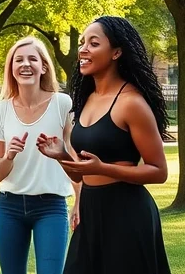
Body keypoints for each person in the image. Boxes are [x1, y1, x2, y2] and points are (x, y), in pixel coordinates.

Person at [36, 16, 171, 274]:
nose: (83, 49)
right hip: (91, 211)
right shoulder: (87, 99)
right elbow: (83, 171)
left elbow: (158, 171)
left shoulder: (131, 102)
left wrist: (104, 168)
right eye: (83, 42)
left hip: (127, 215)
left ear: (117, 52)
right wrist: (61, 155)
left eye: (94, 43)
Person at [0, 37, 79, 274]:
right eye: (18, 60)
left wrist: (79, 202)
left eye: (33, 58)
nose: (25, 64)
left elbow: (74, 156)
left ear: (44, 67)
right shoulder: (0, 110)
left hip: (51, 206)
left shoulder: (63, 103)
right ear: (11, 68)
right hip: (9, 207)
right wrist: (9, 156)